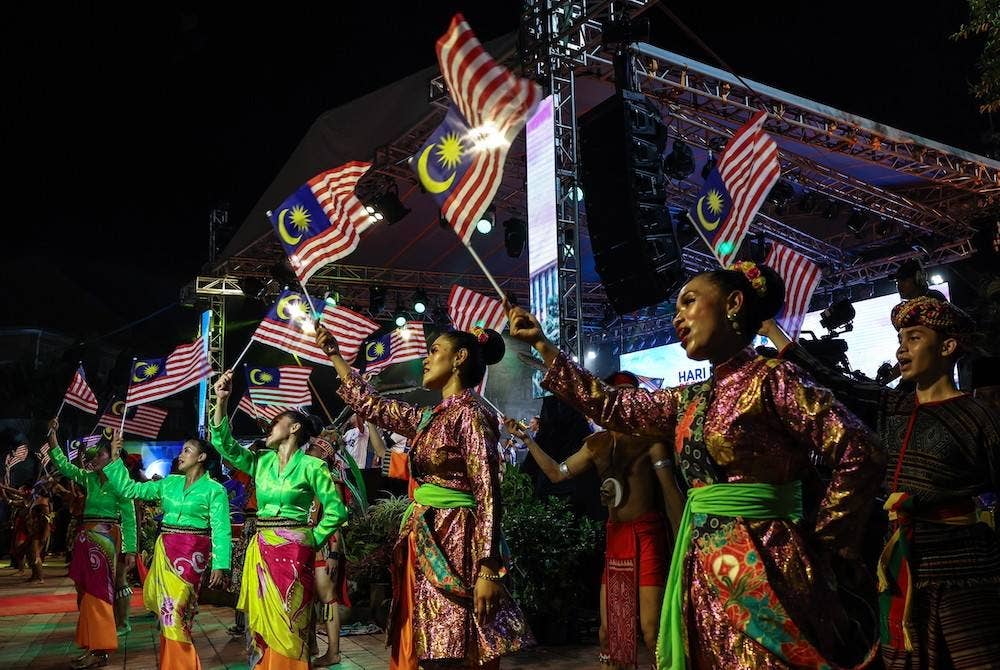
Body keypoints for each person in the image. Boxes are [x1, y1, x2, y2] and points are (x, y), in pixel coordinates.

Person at [506, 262, 884, 670]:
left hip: (768, 566)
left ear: (733, 303)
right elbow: (612, 405)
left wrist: (828, 540)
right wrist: (543, 345)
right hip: (702, 570)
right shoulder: (691, 398)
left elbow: (860, 450)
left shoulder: (773, 379)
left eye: (689, 302)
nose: (678, 318)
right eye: (676, 309)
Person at [761, 295, 1000, 669]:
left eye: (915, 338)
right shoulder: (891, 406)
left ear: (948, 347)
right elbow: (828, 379)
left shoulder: (978, 416)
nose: (902, 349)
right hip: (897, 566)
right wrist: (773, 331)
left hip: (964, 567)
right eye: (900, 339)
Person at [315, 323, 533, 669]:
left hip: (457, 542)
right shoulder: (431, 416)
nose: (425, 360)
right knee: (429, 643)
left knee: (453, 645)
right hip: (427, 537)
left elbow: (488, 493)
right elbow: (375, 406)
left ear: (459, 358)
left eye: (434, 351)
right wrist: (336, 357)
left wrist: (488, 569)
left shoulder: (472, 415)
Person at [506, 370, 682, 669]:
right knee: (608, 634)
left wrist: (683, 546)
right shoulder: (596, 443)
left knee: (652, 630)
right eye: (616, 396)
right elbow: (556, 473)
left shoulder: (651, 441)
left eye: (629, 397)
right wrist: (528, 440)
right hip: (617, 535)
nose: (622, 403)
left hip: (648, 535)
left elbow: (670, 492)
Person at [211, 373, 348, 670]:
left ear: (294, 428)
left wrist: (312, 539)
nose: (270, 427)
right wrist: (221, 401)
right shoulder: (260, 461)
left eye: (276, 422)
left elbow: (336, 511)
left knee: (290, 615)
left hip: (295, 551)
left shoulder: (312, 466)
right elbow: (225, 445)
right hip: (261, 548)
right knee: (261, 618)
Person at [100, 433, 230, 669]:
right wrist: (116, 458)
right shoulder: (170, 483)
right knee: (168, 614)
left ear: (201, 457)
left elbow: (221, 529)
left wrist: (221, 565)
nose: (181, 455)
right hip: (166, 553)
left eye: (187, 450)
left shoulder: (215, 490)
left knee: (177, 613)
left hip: (192, 556)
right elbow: (129, 489)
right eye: (182, 450)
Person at [43, 419, 137, 670]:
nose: (92, 459)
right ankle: (91, 644)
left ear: (111, 456)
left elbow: (129, 517)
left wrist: (130, 549)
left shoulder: (120, 481)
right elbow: (63, 465)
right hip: (85, 537)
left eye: (99, 454)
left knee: (99, 594)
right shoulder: (89, 478)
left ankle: (100, 649)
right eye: (91, 455)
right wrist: (53, 436)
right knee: (84, 592)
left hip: (106, 538)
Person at [305, 434, 350, 668]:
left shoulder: (332, 482)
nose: (307, 451)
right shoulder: (305, 476)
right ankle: (311, 645)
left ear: (323, 455)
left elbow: (336, 521)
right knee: (307, 597)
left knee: (327, 598)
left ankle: (333, 652)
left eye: (312, 449)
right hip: (305, 545)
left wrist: (333, 553)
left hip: (323, 547)